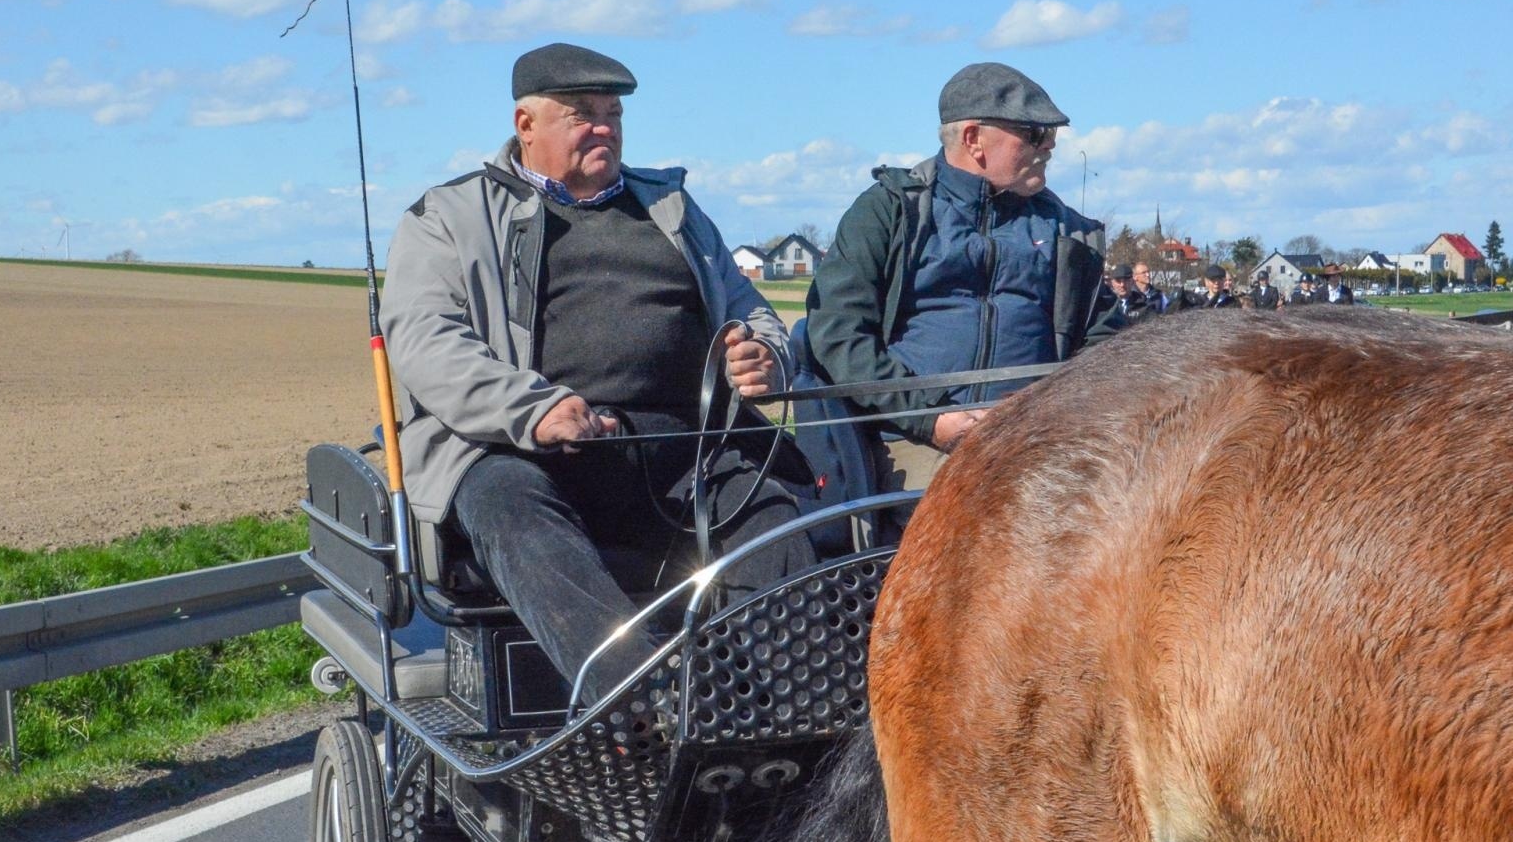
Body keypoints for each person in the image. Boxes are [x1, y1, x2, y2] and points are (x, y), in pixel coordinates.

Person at [380, 43, 815, 703]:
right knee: (510, 509)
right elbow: (426, 339)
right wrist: (534, 409)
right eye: (582, 114)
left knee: (772, 515)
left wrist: (761, 349)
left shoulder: (672, 210)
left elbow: (749, 307)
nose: (605, 127)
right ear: (527, 125)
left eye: (613, 113)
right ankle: (637, 703)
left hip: (678, 447)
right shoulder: (448, 218)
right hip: (518, 448)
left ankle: (791, 712)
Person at [803, 61, 1121, 494]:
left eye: (1052, 135)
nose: (1049, 146)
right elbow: (838, 333)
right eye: (1034, 133)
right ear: (973, 139)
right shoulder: (890, 212)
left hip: (1040, 441)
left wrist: (1049, 414)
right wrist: (930, 418)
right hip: (910, 440)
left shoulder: (1068, 234)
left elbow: (1109, 345)